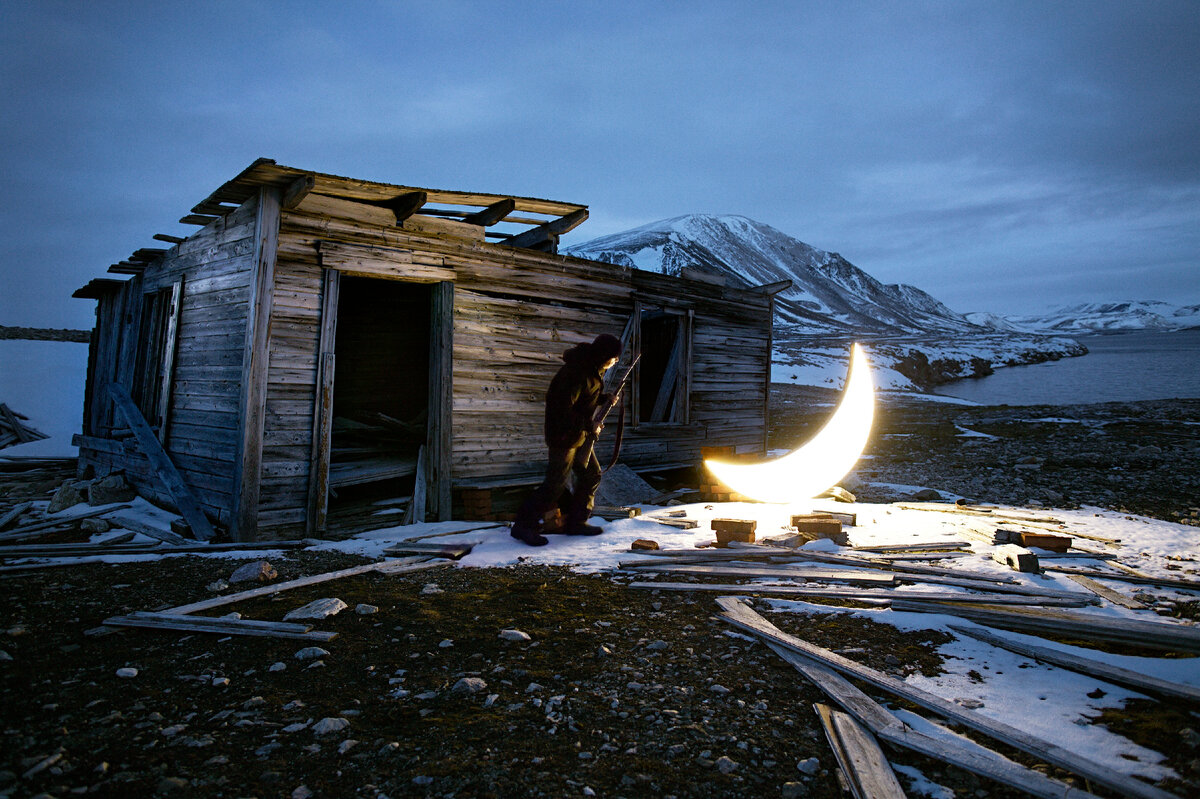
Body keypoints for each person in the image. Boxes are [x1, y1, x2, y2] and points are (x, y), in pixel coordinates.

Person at [510, 333, 623, 546]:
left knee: (591, 475)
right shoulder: (577, 372)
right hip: (563, 435)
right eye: (614, 357)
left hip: (578, 435)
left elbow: (584, 398)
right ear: (604, 354)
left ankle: (576, 522)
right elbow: (561, 407)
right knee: (555, 485)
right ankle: (522, 526)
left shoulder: (592, 370)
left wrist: (603, 399)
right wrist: (589, 424)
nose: (616, 361)